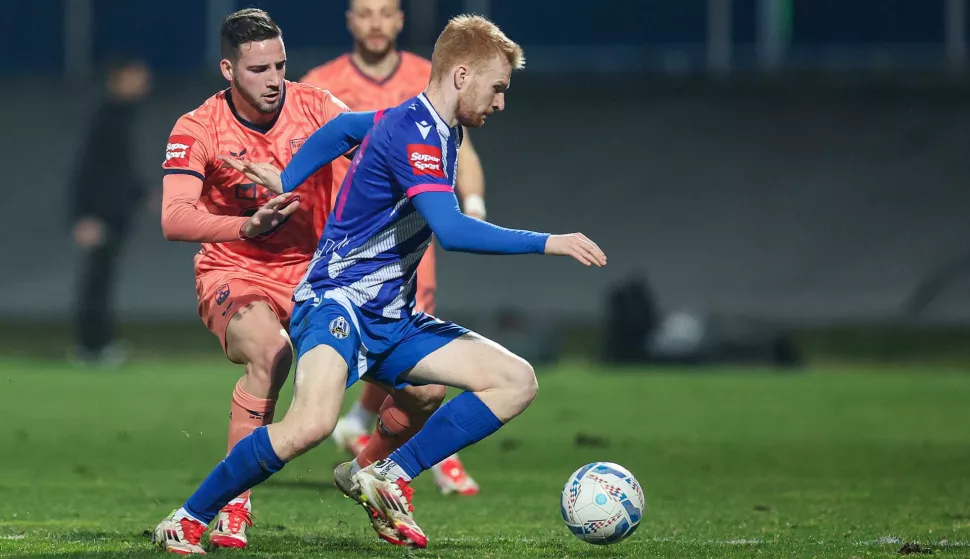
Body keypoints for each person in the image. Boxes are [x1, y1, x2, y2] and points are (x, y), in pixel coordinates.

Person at [151, 14, 606, 553]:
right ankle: (189, 517)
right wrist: (548, 241)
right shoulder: (416, 137)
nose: (502, 101)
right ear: (462, 75)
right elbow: (453, 232)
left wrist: (289, 174)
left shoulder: (429, 123)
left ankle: (384, 474)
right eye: (498, 87)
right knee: (311, 425)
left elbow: (343, 129)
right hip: (336, 301)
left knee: (514, 381)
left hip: (390, 315)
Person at [156, 8, 450, 551]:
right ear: (228, 69)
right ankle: (233, 504)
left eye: (281, 66)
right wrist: (244, 225)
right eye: (258, 70)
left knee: (425, 389)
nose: (274, 81)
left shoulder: (316, 107)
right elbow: (174, 217)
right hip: (235, 270)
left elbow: (384, 136)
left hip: (319, 279)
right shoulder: (198, 128)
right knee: (270, 352)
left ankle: (370, 475)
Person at [300, 0, 485, 496]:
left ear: (401, 20)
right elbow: (305, 147)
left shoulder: (430, 75)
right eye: (365, 13)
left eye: (386, 12)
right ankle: (359, 433)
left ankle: (404, 447)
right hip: (344, 247)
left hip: (409, 240)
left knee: (414, 350)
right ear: (349, 21)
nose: (376, 22)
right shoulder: (322, 80)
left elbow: (462, 149)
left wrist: (473, 204)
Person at [69, 58, 152, 366]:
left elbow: (121, 171)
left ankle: (97, 343)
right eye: (136, 77)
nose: (143, 83)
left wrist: (143, 194)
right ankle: (90, 346)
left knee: (103, 278)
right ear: (117, 80)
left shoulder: (121, 117)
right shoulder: (106, 118)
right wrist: (83, 216)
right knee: (96, 280)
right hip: (100, 216)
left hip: (114, 214)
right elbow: (87, 171)